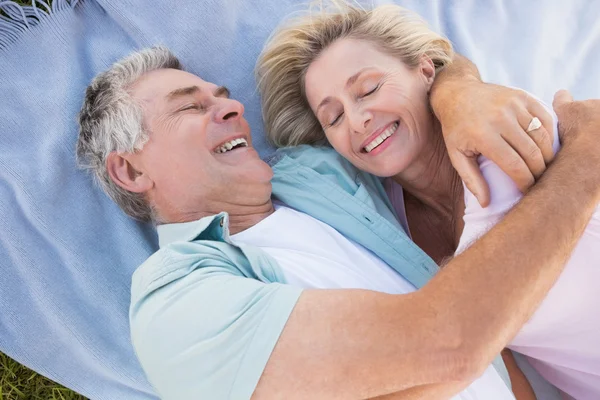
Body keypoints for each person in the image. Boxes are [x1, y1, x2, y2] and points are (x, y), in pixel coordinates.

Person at [76, 46, 600, 400]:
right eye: (190, 108)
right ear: (129, 168)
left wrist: (458, 90)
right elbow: (451, 342)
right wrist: (586, 162)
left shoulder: (313, 175)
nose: (233, 107)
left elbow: (412, 69)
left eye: (223, 95)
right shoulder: (175, 299)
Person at [256, 3, 599, 399]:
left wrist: (457, 86)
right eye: (333, 118)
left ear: (424, 72)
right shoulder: (385, 227)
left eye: (368, 89)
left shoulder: (508, 138)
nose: (356, 120)